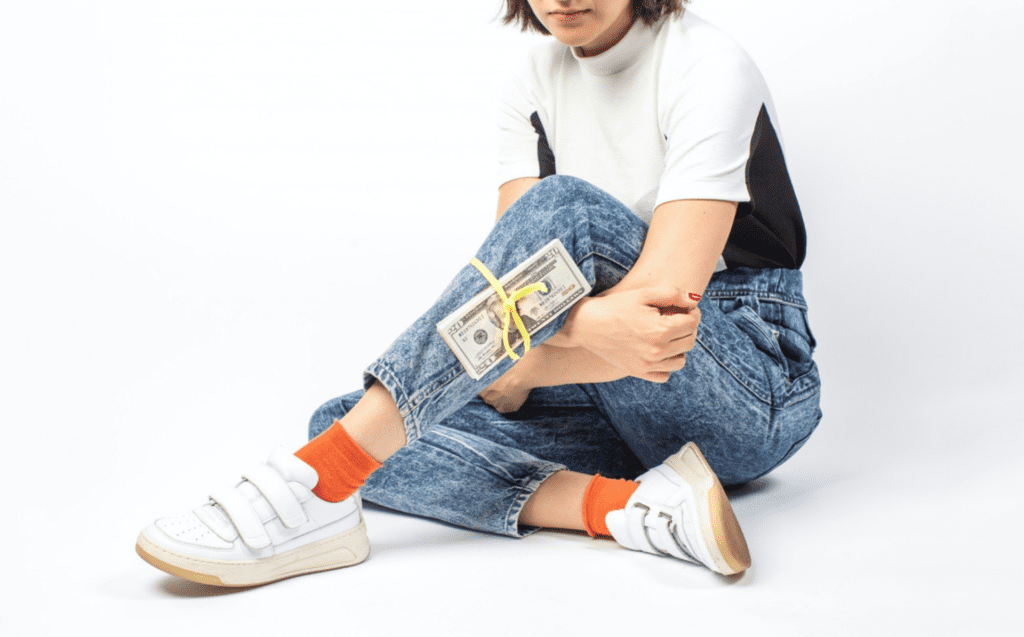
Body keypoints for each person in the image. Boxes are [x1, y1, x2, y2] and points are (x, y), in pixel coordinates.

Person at [135, 0, 821, 586]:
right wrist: (521, 349)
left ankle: (318, 478)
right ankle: (629, 508)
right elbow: (511, 294)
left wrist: (522, 355)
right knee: (342, 417)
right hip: (608, 399)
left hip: (746, 381)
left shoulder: (706, 63)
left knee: (567, 210)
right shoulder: (533, 77)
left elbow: (655, 320)